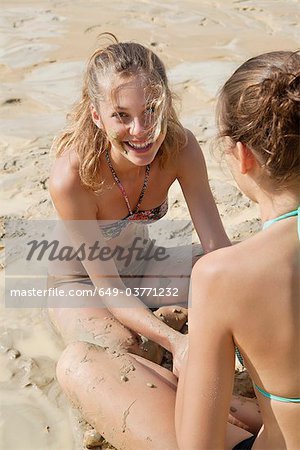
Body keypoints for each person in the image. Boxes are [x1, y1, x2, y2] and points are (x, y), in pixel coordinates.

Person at [48, 33, 230, 371]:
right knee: (121, 348)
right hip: (82, 284)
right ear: (97, 116)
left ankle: (159, 322)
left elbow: (217, 246)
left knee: (237, 273)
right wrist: (179, 344)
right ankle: (159, 330)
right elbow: (110, 289)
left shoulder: (181, 149)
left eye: (150, 111)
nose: (140, 129)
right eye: (121, 115)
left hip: (143, 266)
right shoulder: (71, 178)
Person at [176, 50, 300, 449]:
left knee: (87, 368)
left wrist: (195, 357)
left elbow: (198, 445)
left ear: (243, 155)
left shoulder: (222, 275)